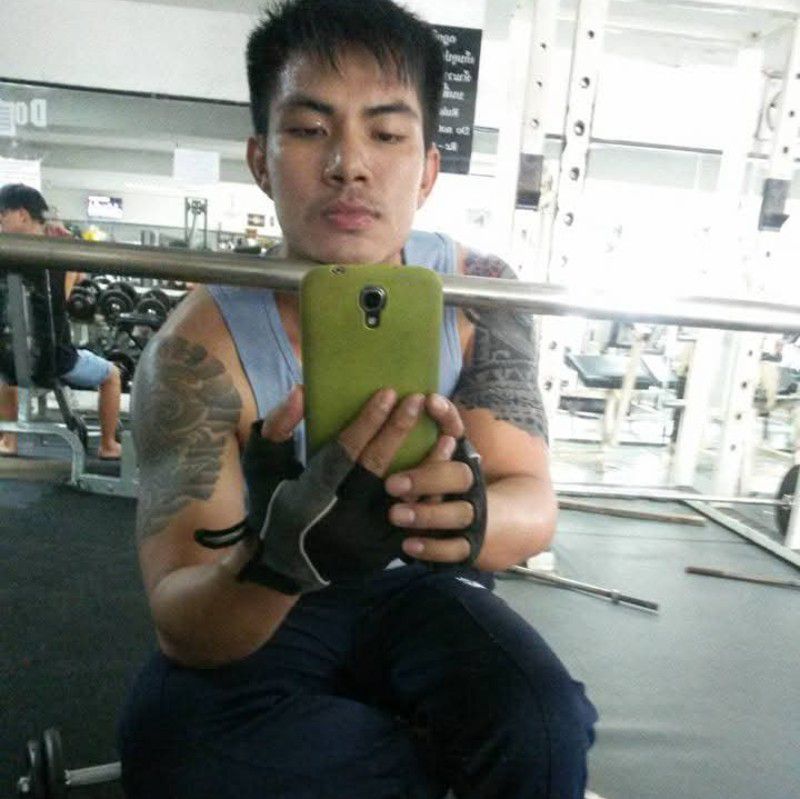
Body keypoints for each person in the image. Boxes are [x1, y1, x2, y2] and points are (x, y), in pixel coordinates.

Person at [118, 1, 597, 796]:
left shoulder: (477, 293)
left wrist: (470, 518)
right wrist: (279, 555)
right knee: (171, 749)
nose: (349, 164)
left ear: (429, 170)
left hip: (425, 588)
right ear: (261, 160)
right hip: (271, 599)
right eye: (310, 129)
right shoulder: (196, 350)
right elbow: (185, 622)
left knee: (540, 725)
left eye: (386, 133)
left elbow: (530, 498)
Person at [0, 183, 122, 459]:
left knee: (8, 369)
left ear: (22, 215)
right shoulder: (58, 257)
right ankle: (108, 445)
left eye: (2, 215)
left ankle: (9, 440)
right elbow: (66, 298)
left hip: (8, 361)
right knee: (112, 374)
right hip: (55, 360)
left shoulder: (5, 257)